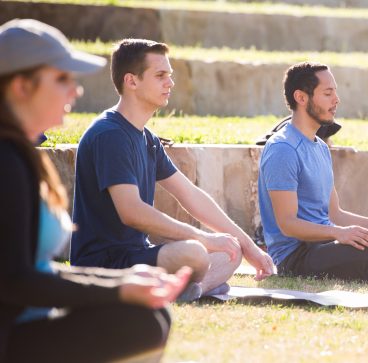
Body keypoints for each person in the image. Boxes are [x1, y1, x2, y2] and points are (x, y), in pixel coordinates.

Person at [0, 19, 190, 363]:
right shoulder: (6, 162)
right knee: (140, 323)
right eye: (61, 79)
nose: (76, 90)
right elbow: (14, 282)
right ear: (20, 87)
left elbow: (33, 269)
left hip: (23, 327)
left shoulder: (17, 153)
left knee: (152, 315)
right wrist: (117, 288)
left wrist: (123, 282)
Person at [70, 38, 275, 301]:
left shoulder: (147, 138)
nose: (170, 83)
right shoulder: (109, 134)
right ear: (131, 81)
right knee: (195, 253)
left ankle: (192, 291)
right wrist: (203, 238)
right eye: (160, 75)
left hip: (137, 256)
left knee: (230, 249)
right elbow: (131, 211)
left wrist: (248, 246)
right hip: (102, 264)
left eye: (170, 75)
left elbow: (192, 196)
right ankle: (186, 289)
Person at [258, 62, 368, 282]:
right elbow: (288, 224)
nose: (336, 100)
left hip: (328, 244)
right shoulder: (282, 149)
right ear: (301, 98)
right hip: (297, 257)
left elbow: (336, 215)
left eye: (335, 92)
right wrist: (338, 233)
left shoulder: (320, 147)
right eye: (328, 93)